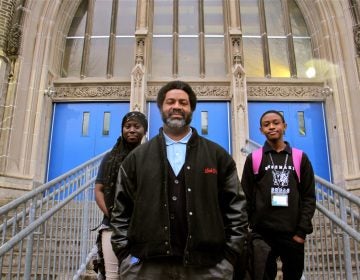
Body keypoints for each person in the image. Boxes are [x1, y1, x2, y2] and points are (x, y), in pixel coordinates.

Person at [110, 80, 248, 280]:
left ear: (191, 108)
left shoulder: (217, 156)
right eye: (170, 102)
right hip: (146, 267)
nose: (176, 107)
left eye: (183, 103)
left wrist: (229, 256)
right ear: (161, 108)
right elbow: (120, 210)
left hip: (209, 267)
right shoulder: (137, 158)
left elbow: (236, 208)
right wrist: (125, 254)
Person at [241, 110, 316, 280]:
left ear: (284, 126)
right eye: (266, 125)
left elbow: (308, 197)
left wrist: (301, 232)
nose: (272, 127)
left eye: (276, 122)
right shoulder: (254, 158)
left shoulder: (299, 158)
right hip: (263, 236)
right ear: (261, 130)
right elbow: (245, 196)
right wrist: (250, 229)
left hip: (293, 234)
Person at [94, 111, 148, 279]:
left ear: (144, 130)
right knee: (112, 276)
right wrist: (113, 215)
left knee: (137, 275)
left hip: (141, 229)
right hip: (111, 226)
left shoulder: (150, 157)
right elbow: (98, 190)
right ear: (122, 129)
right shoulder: (110, 158)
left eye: (136, 126)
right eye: (127, 126)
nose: (131, 130)